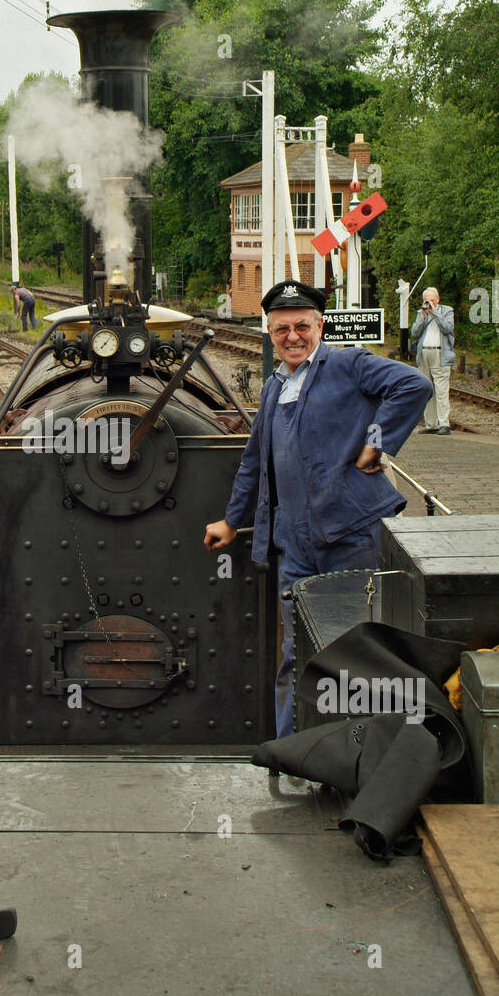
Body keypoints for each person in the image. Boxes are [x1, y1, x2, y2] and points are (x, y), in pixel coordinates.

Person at [203, 280, 433, 739]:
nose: (293, 336)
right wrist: (232, 520)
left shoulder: (348, 365)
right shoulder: (273, 387)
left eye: (302, 326)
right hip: (295, 543)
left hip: (352, 535)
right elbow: (254, 461)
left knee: (355, 648)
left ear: (320, 326)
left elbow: (414, 384)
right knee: (296, 652)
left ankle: (358, 754)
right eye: (281, 328)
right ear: (269, 332)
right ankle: (293, 752)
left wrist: (376, 443)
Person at [410, 286, 455, 435]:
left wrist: (435, 313)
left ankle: (444, 424)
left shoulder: (447, 311)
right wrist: (423, 317)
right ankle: (431, 424)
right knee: (427, 388)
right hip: (424, 353)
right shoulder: (421, 313)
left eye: (431, 300)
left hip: (439, 353)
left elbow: (448, 328)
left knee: (441, 389)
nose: (428, 304)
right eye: (425, 301)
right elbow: (414, 332)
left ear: (437, 300)